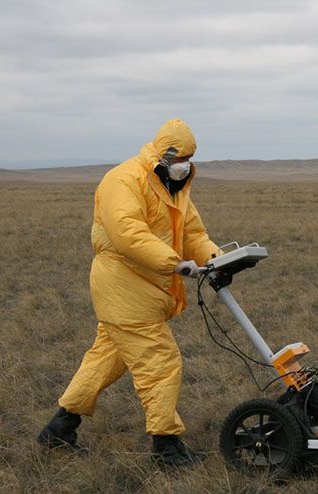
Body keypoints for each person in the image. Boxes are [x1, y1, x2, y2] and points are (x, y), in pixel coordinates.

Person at [37, 118, 221, 467]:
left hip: (147, 288)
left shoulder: (175, 187)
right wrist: (175, 263)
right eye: (180, 158)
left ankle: (59, 429)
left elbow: (193, 233)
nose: (185, 164)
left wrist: (217, 259)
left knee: (105, 359)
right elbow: (128, 233)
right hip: (123, 286)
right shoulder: (123, 180)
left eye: (190, 158)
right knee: (160, 361)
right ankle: (166, 446)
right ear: (164, 154)